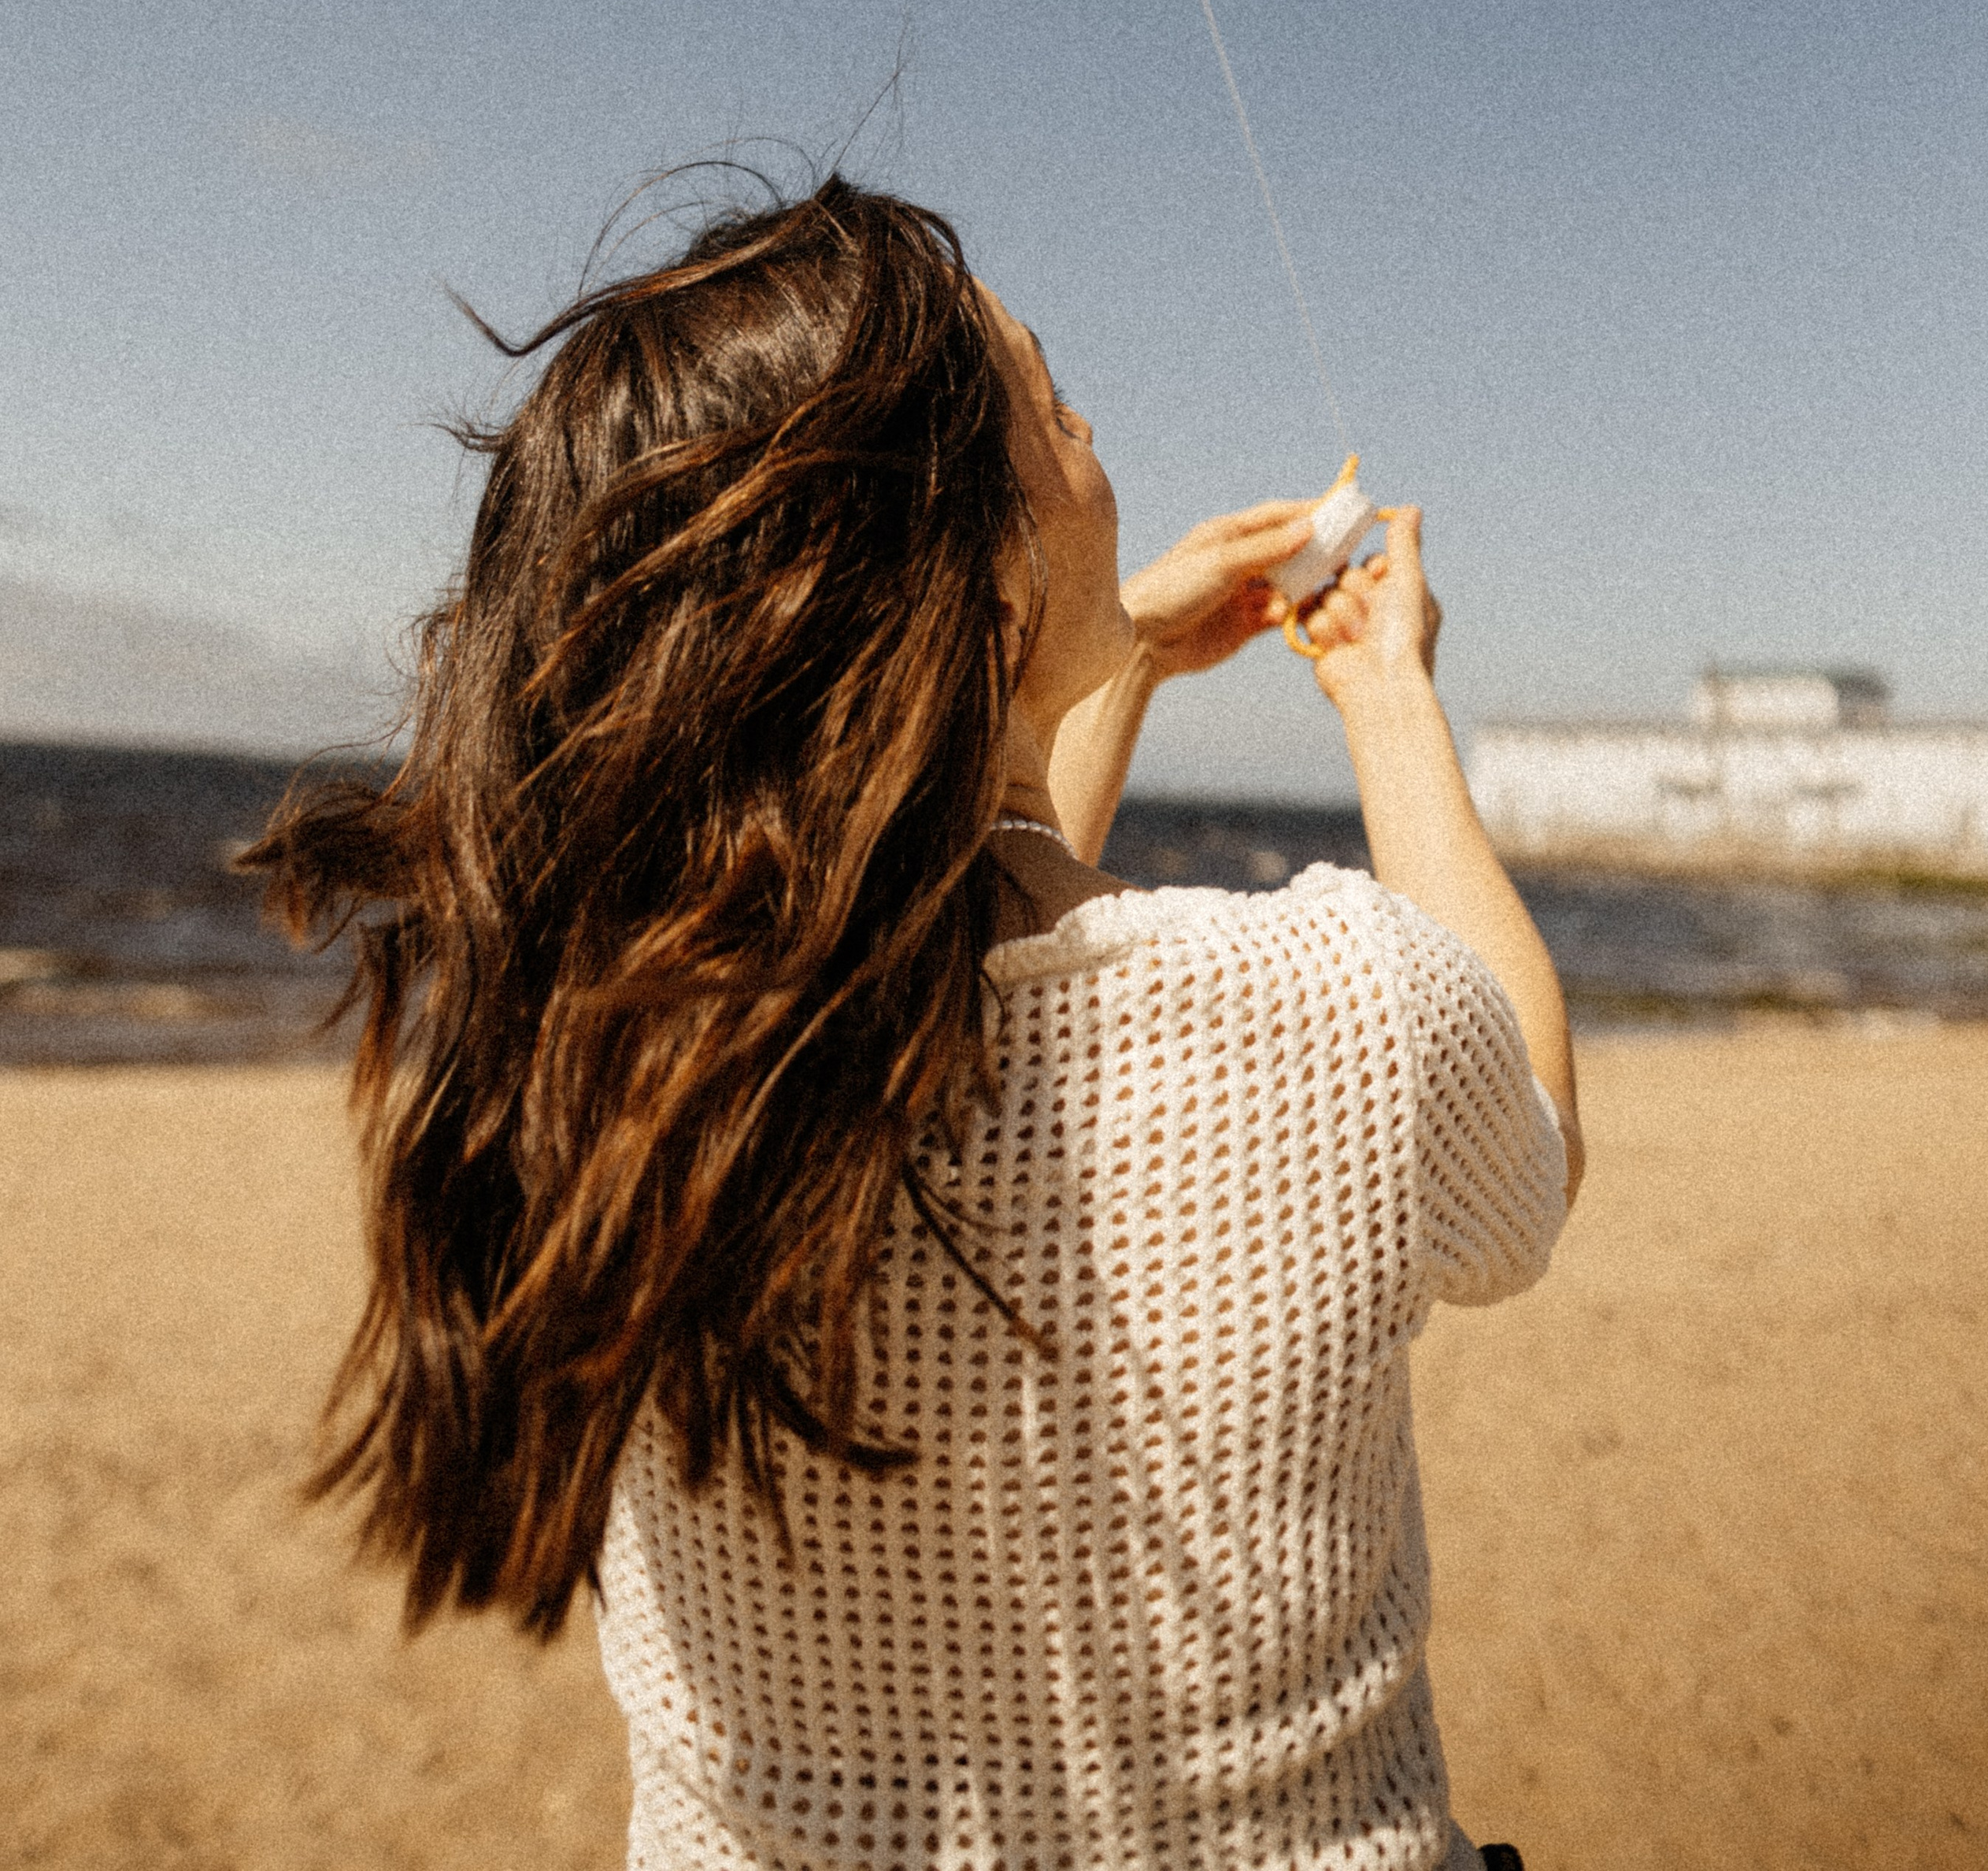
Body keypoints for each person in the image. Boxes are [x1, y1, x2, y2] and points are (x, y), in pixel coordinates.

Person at [252, 174, 1582, 1871]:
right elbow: (1526, 1150)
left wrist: (1107, 668)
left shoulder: (619, 1077)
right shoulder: (1338, 1013)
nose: (1090, 428)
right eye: (1048, 408)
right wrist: (1385, 694)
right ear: (970, 566)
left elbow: (939, 919)